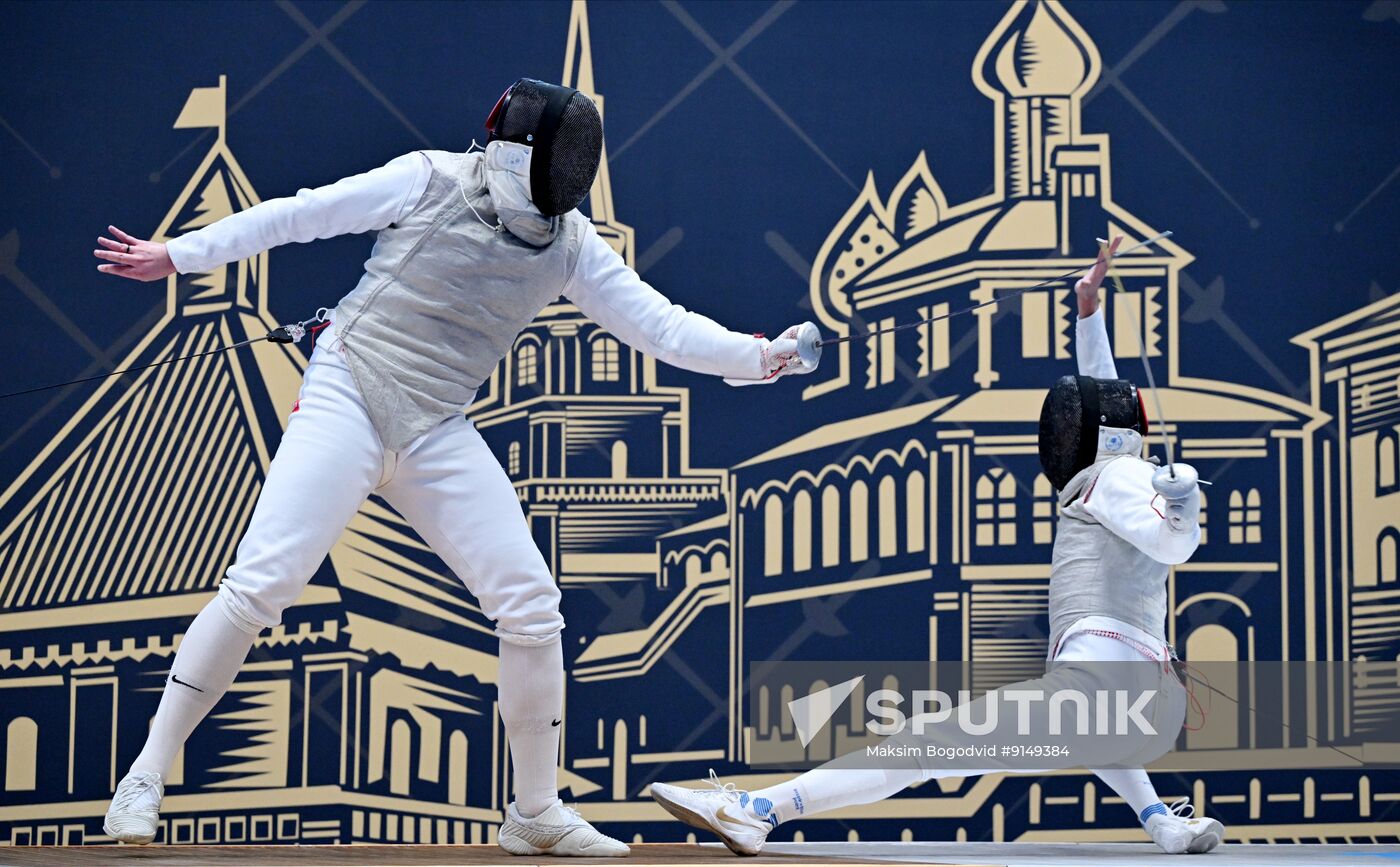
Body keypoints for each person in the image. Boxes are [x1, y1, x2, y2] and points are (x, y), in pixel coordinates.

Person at [95, 79, 817, 856]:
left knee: (532, 602)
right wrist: (181, 254)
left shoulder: (571, 244)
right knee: (262, 582)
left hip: (437, 425)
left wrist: (757, 356)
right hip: (351, 390)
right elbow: (300, 213)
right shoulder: (430, 177)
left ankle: (534, 809)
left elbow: (660, 325)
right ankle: (146, 773)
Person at [649, 237, 1226, 856]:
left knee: (924, 746)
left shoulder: (1110, 478)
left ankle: (758, 810)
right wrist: (1089, 313)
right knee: (1080, 727)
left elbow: (1173, 544)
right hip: (1139, 708)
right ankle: (1163, 819)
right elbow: (1104, 401)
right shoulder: (1122, 464)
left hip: (1106, 694)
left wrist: (1185, 506)